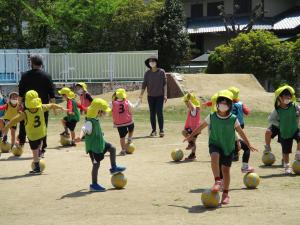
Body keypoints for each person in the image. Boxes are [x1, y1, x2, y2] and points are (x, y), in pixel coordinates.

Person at [184, 90, 257, 204]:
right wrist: (191, 136)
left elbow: (241, 132)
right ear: (217, 103)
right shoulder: (212, 116)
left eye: (226, 102)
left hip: (228, 147)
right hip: (215, 143)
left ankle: (226, 193)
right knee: (214, 156)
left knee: (226, 170)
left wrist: (248, 143)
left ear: (229, 105)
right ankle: (217, 181)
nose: (223, 104)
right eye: (221, 102)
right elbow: (201, 126)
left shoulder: (233, 118)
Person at [4, 90, 66, 174]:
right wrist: (61, 107)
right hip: (42, 133)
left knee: (34, 152)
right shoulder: (41, 107)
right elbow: (51, 105)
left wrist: (7, 126)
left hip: (32, 135)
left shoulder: (25, 113)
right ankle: (39, 150)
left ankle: (37, 167)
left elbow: (15, 120)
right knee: (39, 143)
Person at [77, 98, 126, 192]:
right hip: (94, 147)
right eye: (103, 111)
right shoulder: (89, 122)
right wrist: (80, 137)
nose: (104, 113)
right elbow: (83, 129)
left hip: (100, 143)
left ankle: (113, 167)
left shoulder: (95, 119)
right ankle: (94, 185)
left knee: (112, 148)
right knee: (96, 165)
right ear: (97, 111)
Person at [18, 54, 56, 157]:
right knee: (43, 127)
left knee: (24, 124)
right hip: (42, 107)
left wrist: (18, 105)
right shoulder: (46, 76)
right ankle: (42, 150)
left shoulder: (25, 75)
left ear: (32, 63)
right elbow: (52, 93)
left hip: (28, 106)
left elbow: (21, 93)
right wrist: (54, 108)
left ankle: (20, 144)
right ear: (41, 63)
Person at [266, 85, 300, 174]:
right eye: (285, 96)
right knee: (286, 152)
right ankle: (287, 166)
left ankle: (298, 154)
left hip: (295, 130)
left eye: (289, 96)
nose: (288, 98)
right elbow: (270, 119)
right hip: (285, 132)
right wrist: (280, 124)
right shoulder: (278, 110)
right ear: (280, 98)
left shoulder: (294, 106)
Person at [139, 55, 167, 137]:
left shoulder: (162, 72)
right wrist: (141, 95)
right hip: (150, 96)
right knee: (152, 114)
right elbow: (144, 85)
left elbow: (165, 84)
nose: (151, 62)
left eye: (153, 61)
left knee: (159, 112)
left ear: (156, 62)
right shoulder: (147, 73)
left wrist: (165, 95)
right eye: (150, 61)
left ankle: (161, 130)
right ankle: (154, 130)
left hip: (160, 96)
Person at [228, 87, 254, 173]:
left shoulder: (227, 104)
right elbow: (247, 112)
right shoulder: (240, 103)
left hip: (230, 125)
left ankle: (235, 153)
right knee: (240, 141)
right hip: (239, 124)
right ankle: (243, 163)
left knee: (235, 140)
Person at [111, 88, 140, 156]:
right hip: (128, 121)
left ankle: (123, 150)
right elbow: (133, 107)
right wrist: (138, 102)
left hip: (119, 123)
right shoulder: (127, 101)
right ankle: (129, 138)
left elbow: (108, 109)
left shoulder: (112, 103)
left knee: (122, 137)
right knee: (131, 128)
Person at [181, 92, 201, 161]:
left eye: (186, 102)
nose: (185, 104)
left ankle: (191, 144)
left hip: (194, 129)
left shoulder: (194, 109)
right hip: (194, 128)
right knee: (193, 141)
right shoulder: (194, 109)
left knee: (184, 132)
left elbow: (192, 107)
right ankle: (193, 155)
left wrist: (188, 99)